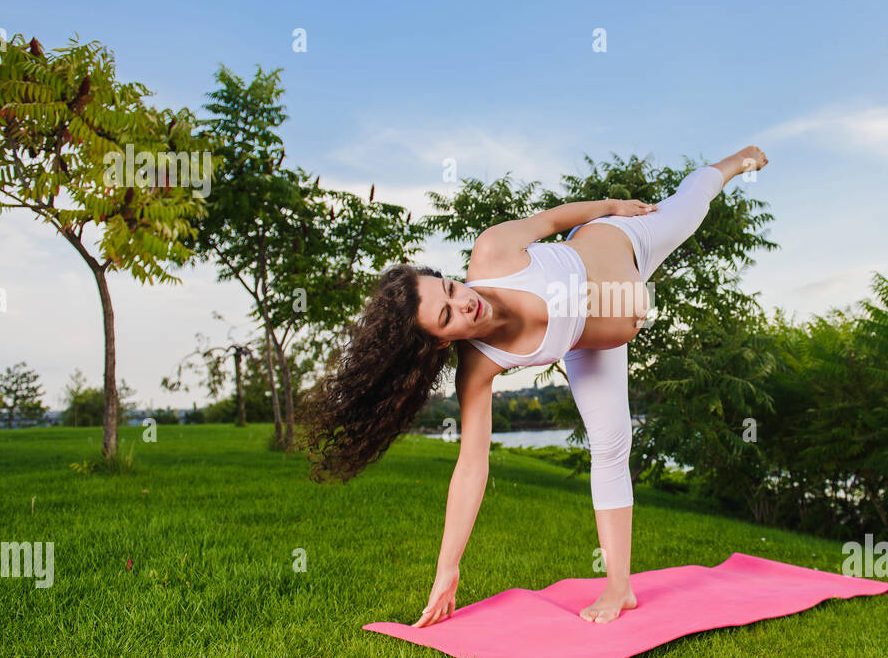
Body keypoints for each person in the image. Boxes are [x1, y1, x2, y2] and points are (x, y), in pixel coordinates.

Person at [301, 146, 768, 624]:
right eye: (447, 315)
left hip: (626, 240)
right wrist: (447, 569)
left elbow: (551, 219)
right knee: (610, 446)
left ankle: (731, 163)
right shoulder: (478, 368)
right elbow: (470, 468)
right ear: (439, 345)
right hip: (594, 346)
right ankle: (619, 589)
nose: (464, 302)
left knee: (691, 206)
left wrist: (612, 208)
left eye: (449, 288)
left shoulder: (493, 251)